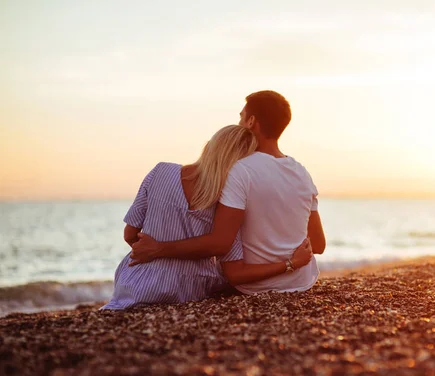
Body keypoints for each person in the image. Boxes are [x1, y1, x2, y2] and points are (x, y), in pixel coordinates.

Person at [129, 90, 326, 294]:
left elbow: (220, 243)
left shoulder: (240, 170)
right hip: (302, 282)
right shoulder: (302, 173)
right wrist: (291, 254)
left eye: (241, 116)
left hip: (254, 286)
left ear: (251, 121)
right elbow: (318, 244)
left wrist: (159, 248)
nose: (239, 122)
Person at [101, 125, 313, 310]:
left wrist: (153, 252)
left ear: (209, 146)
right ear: (240, 164)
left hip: (134, 282)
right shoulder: (225, 202)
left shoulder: (160, 171)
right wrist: (290, 263)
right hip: (187, 288)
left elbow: (130, 234)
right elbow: (235, 272)